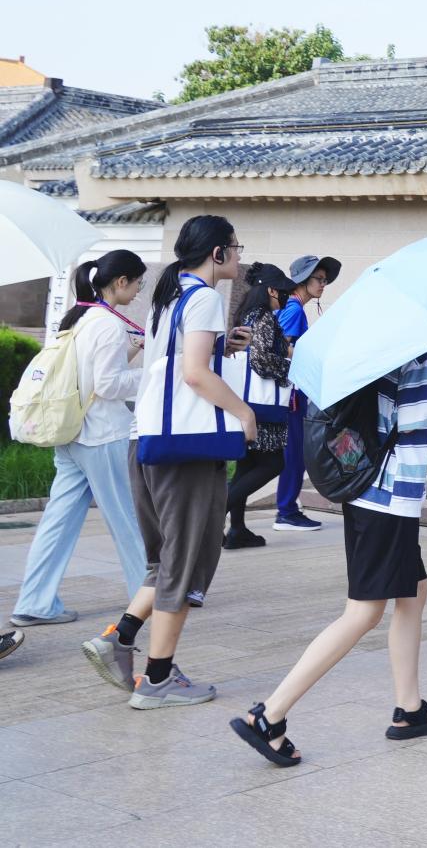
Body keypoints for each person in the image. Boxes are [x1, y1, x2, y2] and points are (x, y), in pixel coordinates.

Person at [228, 349, 427, 766]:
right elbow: (409, 422)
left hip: (367, 488)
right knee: (363, 613)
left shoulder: (374, 347)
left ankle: (410, 708)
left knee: (414, 591)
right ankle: (270, 715)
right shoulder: (412, 351)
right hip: (389, 494)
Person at [83, 214, 256, 708]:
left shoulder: (168, 295)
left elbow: (173, 364)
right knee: (184, 562)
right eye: (235, 248)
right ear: (217, 253)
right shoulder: (204, 298)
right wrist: (243, 413)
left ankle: (120, 638)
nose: (238, 257)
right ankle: (157, 680)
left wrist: (222, 344)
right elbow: (195, 374)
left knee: (164, 560)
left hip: (149, 441)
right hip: (186, 448)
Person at [9, 251, 149, 628]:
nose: (138, 291)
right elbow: (107, 385)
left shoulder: (81, 317)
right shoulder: (108, 324)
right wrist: (152, 373)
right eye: (138, 283)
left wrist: (131, 353)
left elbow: (90, 375)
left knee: (58, 522)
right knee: (128, 519)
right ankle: (150, 597)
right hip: (102, 435)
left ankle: (35, 603)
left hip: (71, 433)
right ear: (120, 282)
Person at [223, 263, 296, 549]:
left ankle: (238, 529)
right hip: (263, 408)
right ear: (271, 290)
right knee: (273, 462)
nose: (286, 296)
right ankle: (217, 512)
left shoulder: (247, 314)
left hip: (246, 401)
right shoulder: (264, 317)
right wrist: (291, 365)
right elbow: (262, 361)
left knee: (247, 465)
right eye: (283, 290)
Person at [271, 254, 339, 534]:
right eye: (318, 279)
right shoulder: (294, 310)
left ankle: (287, 508)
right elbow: (280, 347)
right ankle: (286, 511)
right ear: (302, 280)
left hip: (289, 392)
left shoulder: (291, 306)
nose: (323, 284)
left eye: (325, 280)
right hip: (292, 393)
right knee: (295, 453)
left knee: (293, 453)